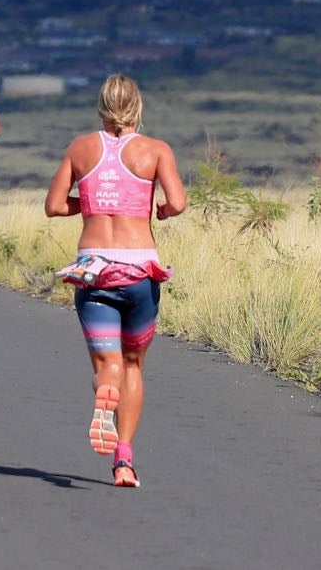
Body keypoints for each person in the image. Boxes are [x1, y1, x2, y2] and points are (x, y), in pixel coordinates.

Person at [45, 74, 185, 488]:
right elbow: (177, 202)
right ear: (137, 108)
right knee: (133, 364)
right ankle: (123, 459)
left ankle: (104, 391)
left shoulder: (80, 148)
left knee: (107, 366)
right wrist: (159, 210)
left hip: (93, 271)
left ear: (102, 107)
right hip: (140, 271)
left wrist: (87, 203)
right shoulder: (155, 151)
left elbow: (53, 206)